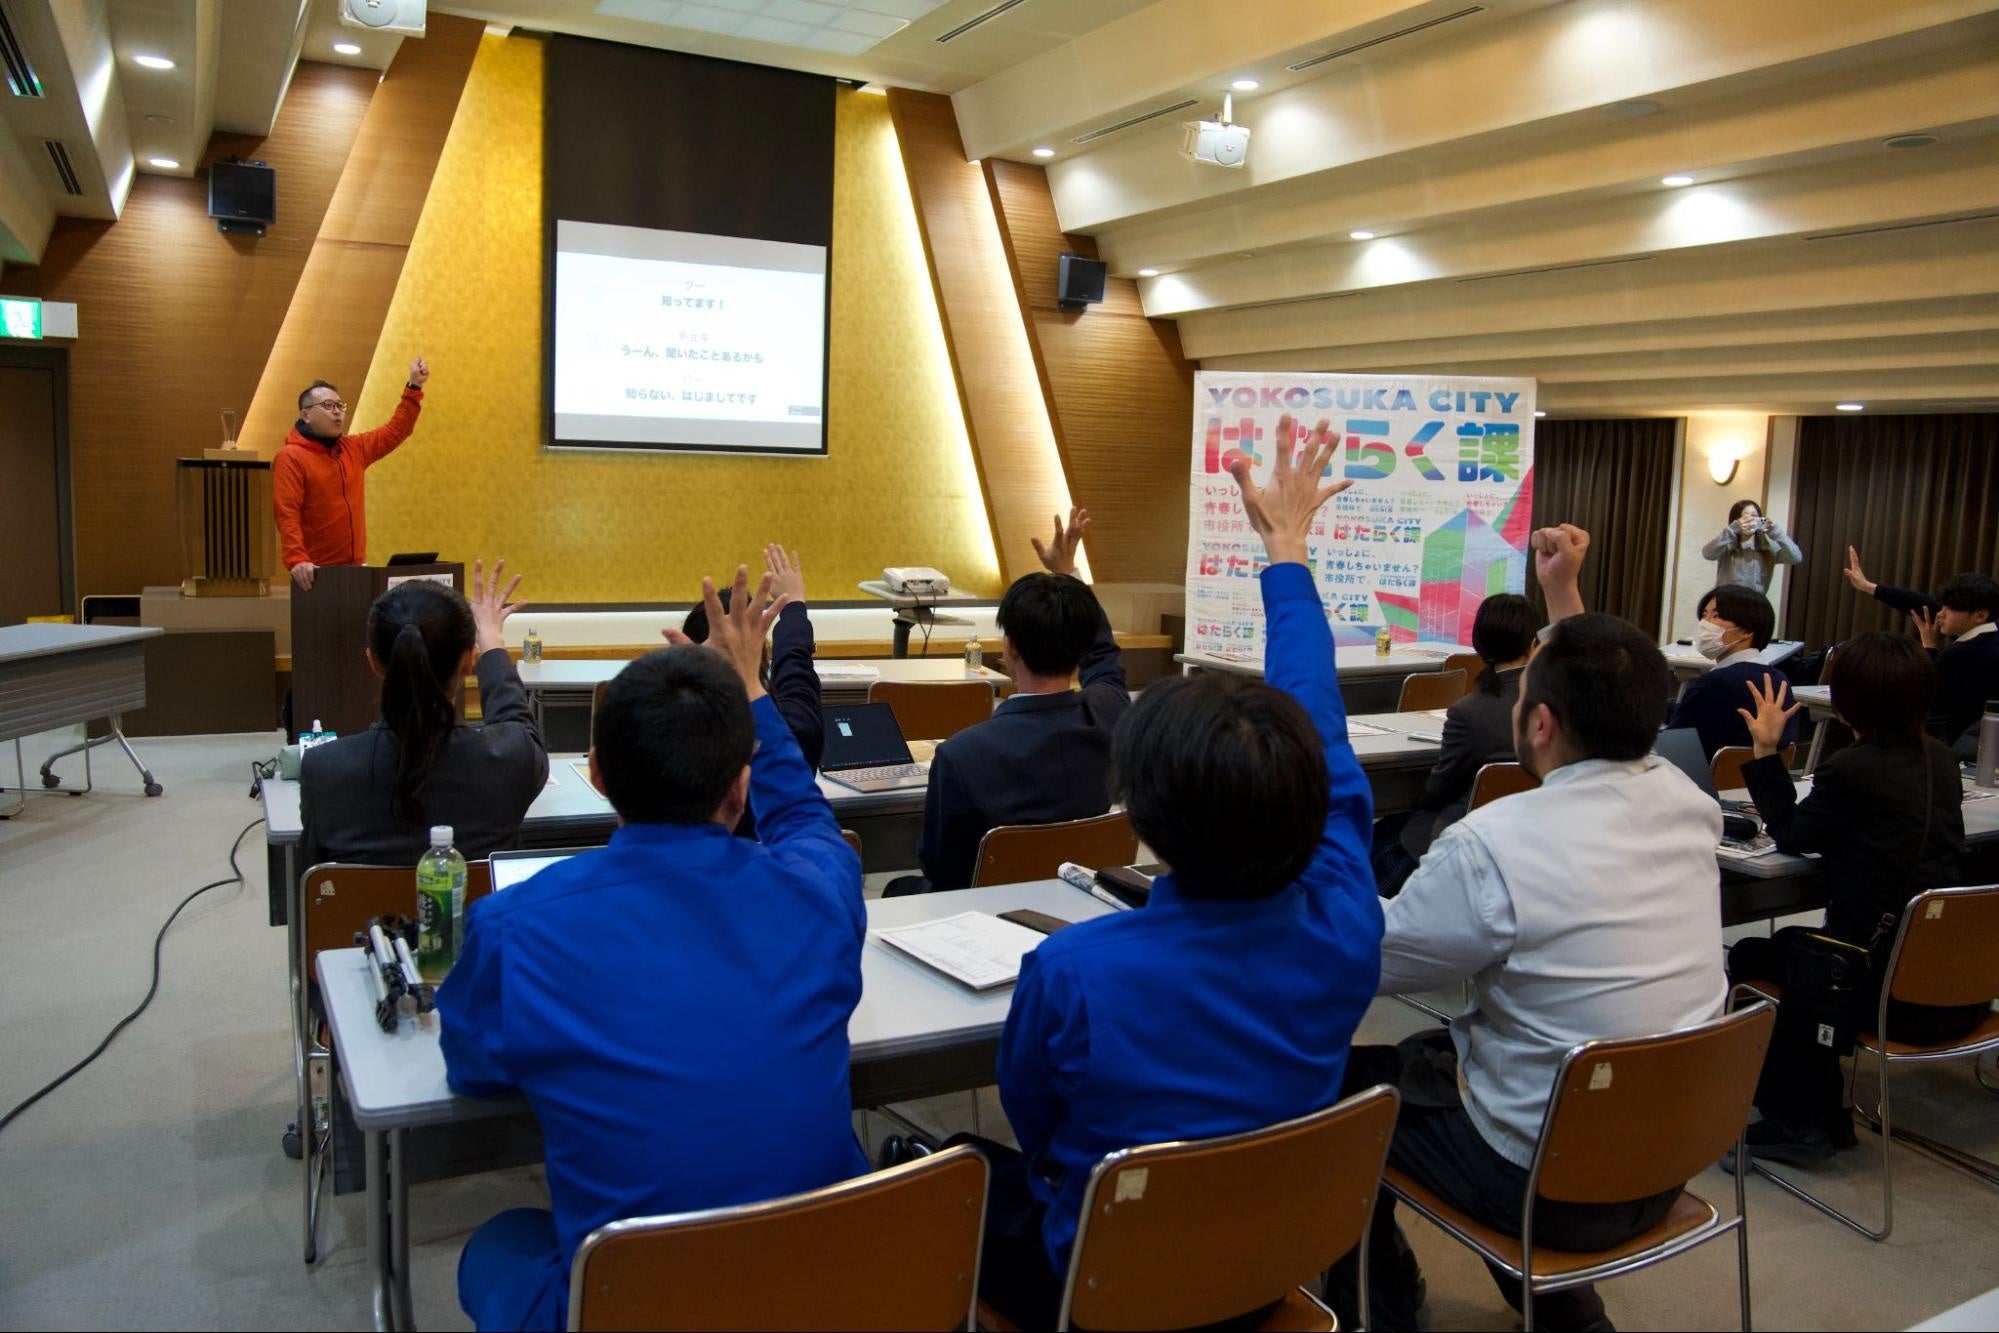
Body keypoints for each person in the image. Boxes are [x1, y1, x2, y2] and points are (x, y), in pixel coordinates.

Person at [961, 419, 1383, 1329]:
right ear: (1308, 792)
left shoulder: (1073, 969)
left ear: (1142, 822)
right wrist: (1287, 552)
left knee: (946, 1167)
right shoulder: (1347, 915)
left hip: (1103, 1291)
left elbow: (1038, 1127)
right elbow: (1318, 716)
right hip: (1269, 1267)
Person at [438, 567, 867, 1332]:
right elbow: (805, 818)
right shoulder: (820, 893)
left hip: (632, 1303)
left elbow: (472, 1068)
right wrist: (750, 684)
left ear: (597, 774)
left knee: (498, 1242)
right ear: (740, 791)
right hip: (828, 1286)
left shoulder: (513, 926)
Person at [1328, 523, 1728, 1333]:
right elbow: (1601, 687)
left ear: (1539, 723)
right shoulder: (1690, 804)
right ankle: (1565, 1314)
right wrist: (1560, 592)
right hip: (1669, 1151)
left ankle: (1383, 1307)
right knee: (1442, 1058)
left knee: (1341, 1090)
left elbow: (1366, 958)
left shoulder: (1494, 843)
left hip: (1547, 1182)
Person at [1725, 639, 1985, 1164]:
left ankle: (1798, 1119)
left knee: (1756, 954)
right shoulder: (1938, 757)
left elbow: (1793, 832)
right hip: (1958, 994)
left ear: (1844, 703)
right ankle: (1815, 1108)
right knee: (1800, 950)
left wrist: (1765, 752)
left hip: (1886, 996)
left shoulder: (1852, 768)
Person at [899, 507, 1129, 893]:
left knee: (901, 888)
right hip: (1077, 898)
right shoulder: (1111, 715)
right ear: (1081, 650)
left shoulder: (961, 755)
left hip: (985, 911)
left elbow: (941, 869)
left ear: (1010, 649)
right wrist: (1068, 574)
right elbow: (1104, 656)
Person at [298, 559, 547, 872]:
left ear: (373, 661)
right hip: (479, 908)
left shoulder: (323, 770)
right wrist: (493, 646)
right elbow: (517, 723)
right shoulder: (512, 760)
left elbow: (312, 881)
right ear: (469, 661)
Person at [1372, 593, 1541, 896]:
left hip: (1463, 835)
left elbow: (1439, 789)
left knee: (1379, 839)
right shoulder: (1554, 705)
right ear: (1533, 644)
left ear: (1480, 644)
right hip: (1530, 839)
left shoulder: (1469, 711)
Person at [274, 357, 430, 591]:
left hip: (357, 570)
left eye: (340, 406)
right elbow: (287, 514)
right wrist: (297, 559)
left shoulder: (353, 449)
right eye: (328, 406)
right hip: (315, 574)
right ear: (305, 415)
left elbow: (397, 430)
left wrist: (414, 386)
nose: (337, 413)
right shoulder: (291, 457)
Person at [677, 543, 824, 772]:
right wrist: (793, 604)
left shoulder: (669, 737)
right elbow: (796, 674)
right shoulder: (791, 737)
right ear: (760, 654)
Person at [1843, 548, 1999, 744]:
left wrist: (1929, 647)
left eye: (1949, 608)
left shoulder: (1963, 654)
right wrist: (1868, 587)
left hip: (1960, 745)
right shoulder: (1990, 634)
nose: (1940, 614)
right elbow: (1924, 604)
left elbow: (1924, 687)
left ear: (1980, 615)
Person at [1667, 583, 1797, 760]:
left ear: (1747, 630)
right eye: (1704, 615)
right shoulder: (1779, 680)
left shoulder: (1713, 684)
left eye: (1716, 616)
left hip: (1702, 775)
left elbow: (1674, 745)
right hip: (1760, 774)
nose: (1705, 623)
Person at [1700, 499, 1800, 594]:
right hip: (1726, 600)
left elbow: (1796, 557)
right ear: (1735, 521)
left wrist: (1773, 530)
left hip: (1755, 602)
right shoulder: (1726, 544)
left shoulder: (1768, 547)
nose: (1750, 520)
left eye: (1754, 516)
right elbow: (1707, 553)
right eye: (1744, 517)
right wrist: (1731, 530)